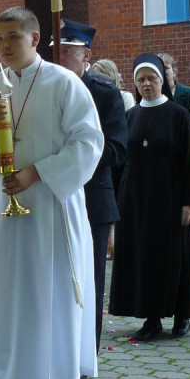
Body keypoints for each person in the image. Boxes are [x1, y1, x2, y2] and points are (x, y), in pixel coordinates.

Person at [0, 7, 102, 379]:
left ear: (34, 39)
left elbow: (89, 143)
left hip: (52, 203)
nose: (4, 46)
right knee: (5, 298)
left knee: (54, 293)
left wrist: (36, 172)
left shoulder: (63, 83)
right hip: (7, 208)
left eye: (13, 37)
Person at [109, 54, 190, 340]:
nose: (146, 84)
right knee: (144, 257)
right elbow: (120, 162)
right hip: (136, 200)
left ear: (163, 80)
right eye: (141, 79)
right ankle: (151, 318)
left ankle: (182, 315)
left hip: (171, 199)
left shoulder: (178, 115)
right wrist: (116, 202)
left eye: (152, 78)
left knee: (176, 256)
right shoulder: (130, 116)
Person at [55, 19, 127, 353]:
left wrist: (71, 157)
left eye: (68, 51)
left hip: (92, 197)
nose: (61, 56)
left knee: (90, 278)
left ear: (87, 55)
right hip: (52, 195)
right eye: (58, 50)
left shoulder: (103, 91)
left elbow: (117, 150)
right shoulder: (47, 87)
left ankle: (86, 354)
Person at [157, 52, 190, 117]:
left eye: (166, 68)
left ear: (174, 72)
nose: (163, 71)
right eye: (159, 68)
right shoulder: (151, 97)